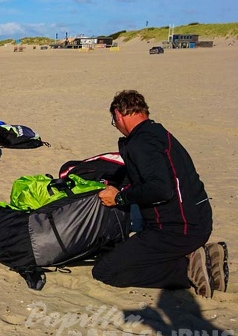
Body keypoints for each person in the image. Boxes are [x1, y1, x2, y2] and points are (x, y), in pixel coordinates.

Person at [92, 90, 227, 298]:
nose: (116, 126)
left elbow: (161, 188)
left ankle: (189, 270)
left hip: (177, 230)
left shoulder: (141, 143)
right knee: (130, 255)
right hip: (198, 221)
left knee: (105, 270)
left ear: (118, 114)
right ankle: (205, 257)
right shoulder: (158, 133)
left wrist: (119, 198)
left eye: (114, 121)